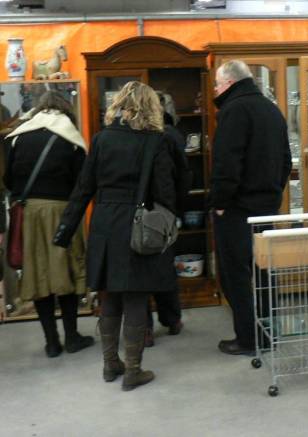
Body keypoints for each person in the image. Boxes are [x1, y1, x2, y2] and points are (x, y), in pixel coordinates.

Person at [53, 81, 177, 391]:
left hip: (104, 224)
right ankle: (133, 369)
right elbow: (165, 192)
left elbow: (84, 188)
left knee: (109, 295)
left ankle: (110, 364)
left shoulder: (101, 139)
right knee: (136, 296)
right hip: (137, 226)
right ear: (151, 107)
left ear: (119, 104)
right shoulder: (155, 141)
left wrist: (65, 230)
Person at [3, 90, 93, 357]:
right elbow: (83, 182)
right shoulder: (70, 138)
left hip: (28, 213)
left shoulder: (18, 136)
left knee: (37, 274)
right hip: (62, 212)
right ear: (66, 111)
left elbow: (8, 180)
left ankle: (51, 342)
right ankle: (72, 337)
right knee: (65, 271)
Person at [211, 60, 291, 355]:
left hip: (237, 209)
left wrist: (220, 202)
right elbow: (286, 161)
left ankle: (247, 339)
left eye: (217, 85)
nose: (215, 90)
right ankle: (268, 335)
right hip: (267, 206)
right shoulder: (271, 109)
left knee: (236, 276)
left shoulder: (233, 111)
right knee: (265, 273)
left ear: (229, 83)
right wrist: (274, 193)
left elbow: (226, 163)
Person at [143, 91, 190, 347]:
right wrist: (177, 209)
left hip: (136, 209)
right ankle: (172, 319)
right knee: (163, 265)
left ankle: (145, 329)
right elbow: (182, 175)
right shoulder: (171, 135)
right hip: (164, 208)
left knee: (140, 270)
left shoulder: (134, 134)